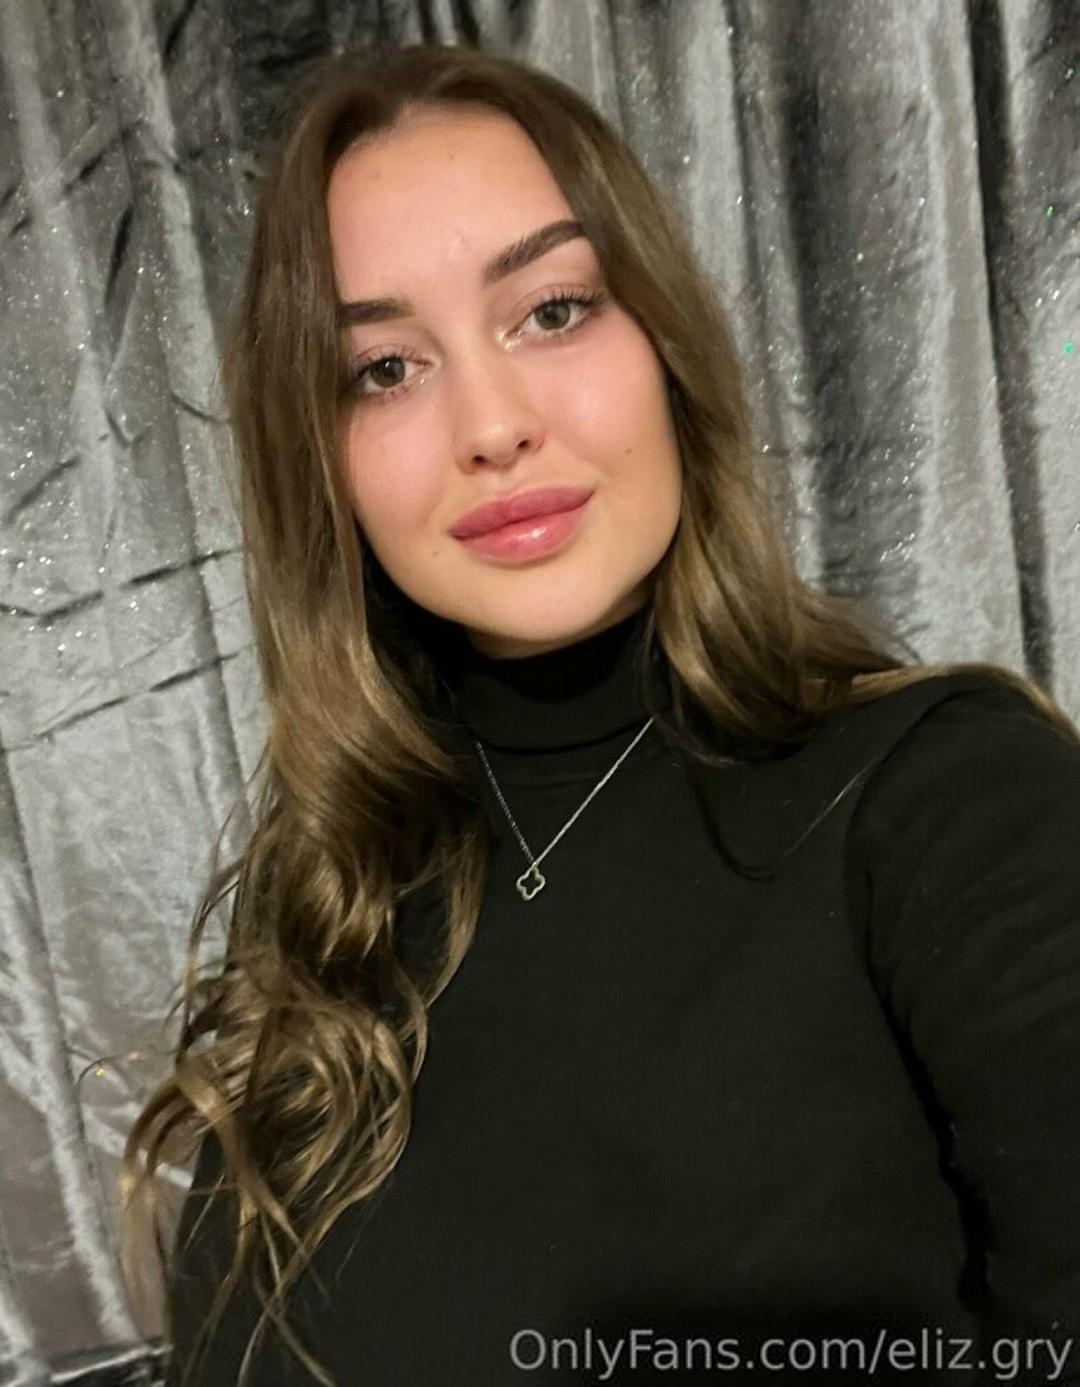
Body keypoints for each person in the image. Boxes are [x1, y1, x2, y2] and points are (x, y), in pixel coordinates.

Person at [120, 41, 1080, 1387]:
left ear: (664, 343)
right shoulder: (329, 899)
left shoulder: (949, 800)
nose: (493, 423)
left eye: (553, 310)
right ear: (318, 459)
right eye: (385, 370)